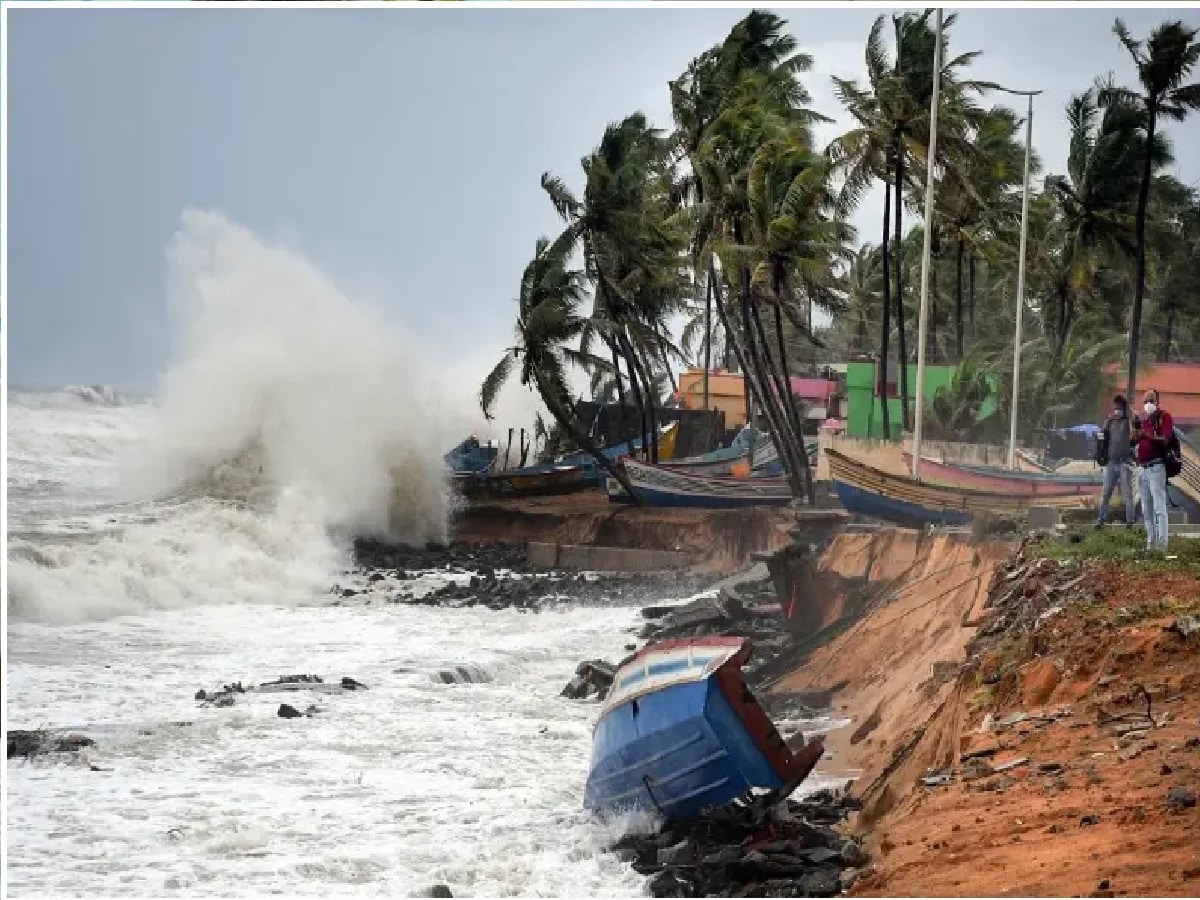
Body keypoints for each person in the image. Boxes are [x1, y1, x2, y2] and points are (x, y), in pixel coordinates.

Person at [1131, 388, 1174, 552]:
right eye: (1145, 401)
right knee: (1146, 510)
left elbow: (1165, 440)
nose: (1148, 404)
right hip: (1142, 469)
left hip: (1156, 467)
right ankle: (1151, 545)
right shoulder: (1145, 421)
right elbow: (1134, 441)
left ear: (1157, 402)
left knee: (1159, 509)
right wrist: (1135, 431)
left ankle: (1162, 547)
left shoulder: (1164, 417)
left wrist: (1145, 435)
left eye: (1151, 400)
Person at [1096, 395, 1135, 528]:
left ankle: (1130, 522)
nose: (1116, 410)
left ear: (1123, 408)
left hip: (1124, 463)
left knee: (1128, 494)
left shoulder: (1127, 421)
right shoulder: (1110, 421)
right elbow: (1102, 436)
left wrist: (1128, 410)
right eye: (1115, 407)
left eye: (1119, 407)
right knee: (1106, 493)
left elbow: (1134, 423)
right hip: (1111, 463)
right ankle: (1101, 520)